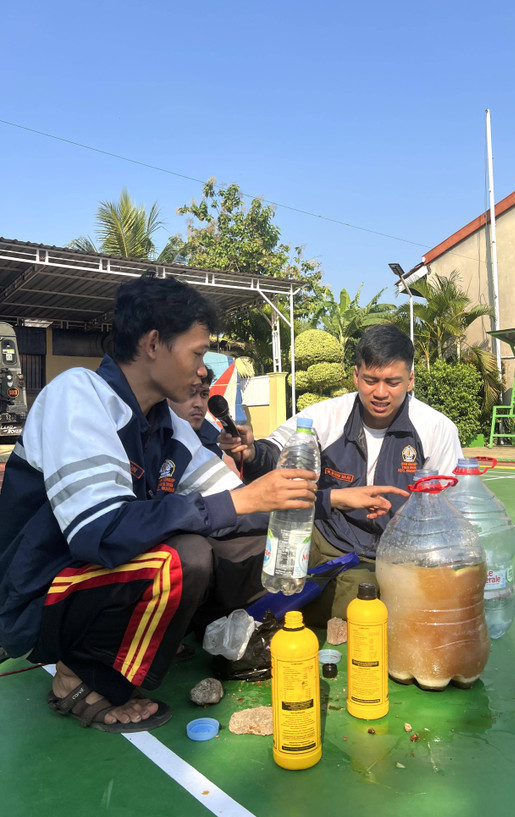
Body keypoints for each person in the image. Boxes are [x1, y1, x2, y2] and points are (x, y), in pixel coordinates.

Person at [0, 273, 323, 733]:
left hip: (95, 579)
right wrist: (241, 500)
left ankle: (198, 640)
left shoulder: (165, 425)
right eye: (195, 354)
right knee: (187, 554)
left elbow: (229, 504)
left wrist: (322, 503)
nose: (201, 371)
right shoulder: (79, 395)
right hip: (40, 595)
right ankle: (77, 674)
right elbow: (101, 532)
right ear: (153, 344)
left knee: (253, 541)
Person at [219, 324, 464, 623]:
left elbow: (455, 509)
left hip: (393, 556)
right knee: (251, 545)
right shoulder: (324, 416)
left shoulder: (436, 429)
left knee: (374, 598)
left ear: (410, 380)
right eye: (371, 380)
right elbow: (276, 454)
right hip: (323, 536)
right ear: (356, 376)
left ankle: (294, 606)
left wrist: (473, 575)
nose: (381, 393)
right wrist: (251, 452)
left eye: (393, 382)